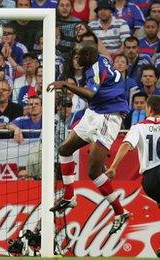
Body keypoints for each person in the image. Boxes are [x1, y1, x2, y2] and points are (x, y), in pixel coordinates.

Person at [47, 43, 130, 235]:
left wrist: (66, 84)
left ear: (89, 55)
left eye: (79, 55)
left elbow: (91, 93)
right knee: (64, 150)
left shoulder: (95, 67)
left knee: (93, 171)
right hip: (94, 112)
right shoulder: (99, 59)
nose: (76, 58)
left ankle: (120, 211)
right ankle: (69, 196)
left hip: (108, 116)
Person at [104, 95, 160, 257]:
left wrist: (114, 167)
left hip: (148, 180)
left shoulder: (138, 127)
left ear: (148, 108)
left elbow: (127, 145)